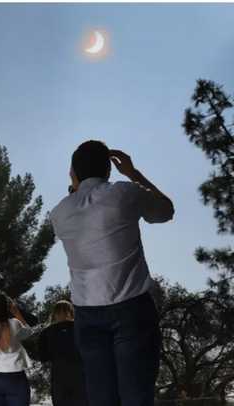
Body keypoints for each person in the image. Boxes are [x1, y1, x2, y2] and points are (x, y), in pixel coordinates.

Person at [50, 141, 174, 406]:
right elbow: (166, 211)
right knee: (137, 396)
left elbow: (80, 205)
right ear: (108, 169)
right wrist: (133, 173)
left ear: (73, 173)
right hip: (131, 310)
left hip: (86, 316)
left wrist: (75, 187)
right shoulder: (124, 193)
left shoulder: (59, 213)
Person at [0, 293, 35, 406]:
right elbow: (29, 332)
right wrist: (16, 312)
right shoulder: (14, 324)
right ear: (5, 307)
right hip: (15, 379)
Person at [37, 301, 88, 406]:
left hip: (59, 377)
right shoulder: (82, 327)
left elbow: (43, 357)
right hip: (81, 375)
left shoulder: (46, 332)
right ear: (71, 312)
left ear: (55, 314)